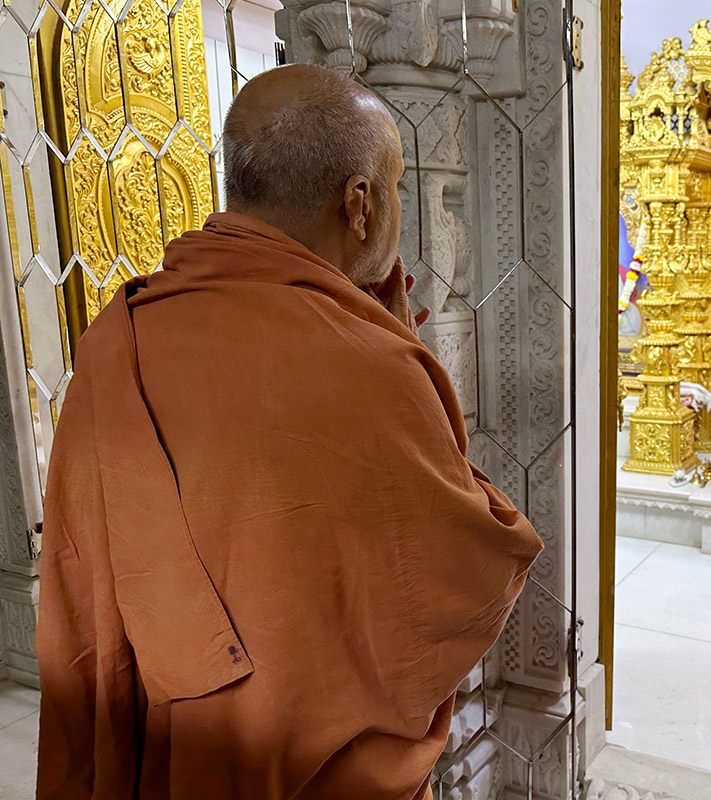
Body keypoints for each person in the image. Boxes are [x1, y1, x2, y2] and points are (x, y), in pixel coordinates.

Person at [35, 64, 544, 800]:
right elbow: (473, 570)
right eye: (398, 186)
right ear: (359, 205)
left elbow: (81, 597)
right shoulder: (374, 369)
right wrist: (395, 349)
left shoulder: (119, 337)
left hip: (178, 754)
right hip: (319, 772)